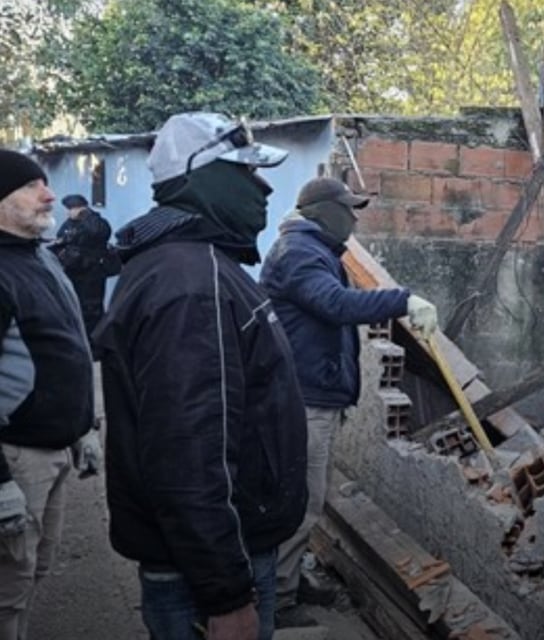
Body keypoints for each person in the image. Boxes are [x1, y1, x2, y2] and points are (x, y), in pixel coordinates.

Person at [91, 113, 308, 640]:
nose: (263, 187)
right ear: (202, 181)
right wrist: (227, 593)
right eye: (245, 173)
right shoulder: (192, 284)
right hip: (212, 569)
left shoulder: (192, 265)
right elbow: (190, 454)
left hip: (214, 554)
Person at [259, 176, 438, 628]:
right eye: (348, 208)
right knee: (301, 502)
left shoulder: (310, 249)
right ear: (321, 211)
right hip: (304, 399)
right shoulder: (300, 254)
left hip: (314, 392)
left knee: (307, 498)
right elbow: (336, 305)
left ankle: (288, 578)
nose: (355, 218)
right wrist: (402, 300)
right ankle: (277, 600)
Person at [0, 150, 102, 640]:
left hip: (55, 449)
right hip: (17, 456)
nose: (50, 195)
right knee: (5, 589)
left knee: (33, 572)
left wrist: (83, 428)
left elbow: (67, 346)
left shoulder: (37, 256)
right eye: (32, 186)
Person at [49, 194, 113, 346]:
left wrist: (85, 214)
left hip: (92, 273)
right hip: (73, 271)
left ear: (80, 208)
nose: (69, 212)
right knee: (74, 306)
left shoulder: (96, 222)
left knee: (91, 309)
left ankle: (95, 344)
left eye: (71, 208)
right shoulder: (69, 223)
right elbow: (62, 238)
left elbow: (97, 232)